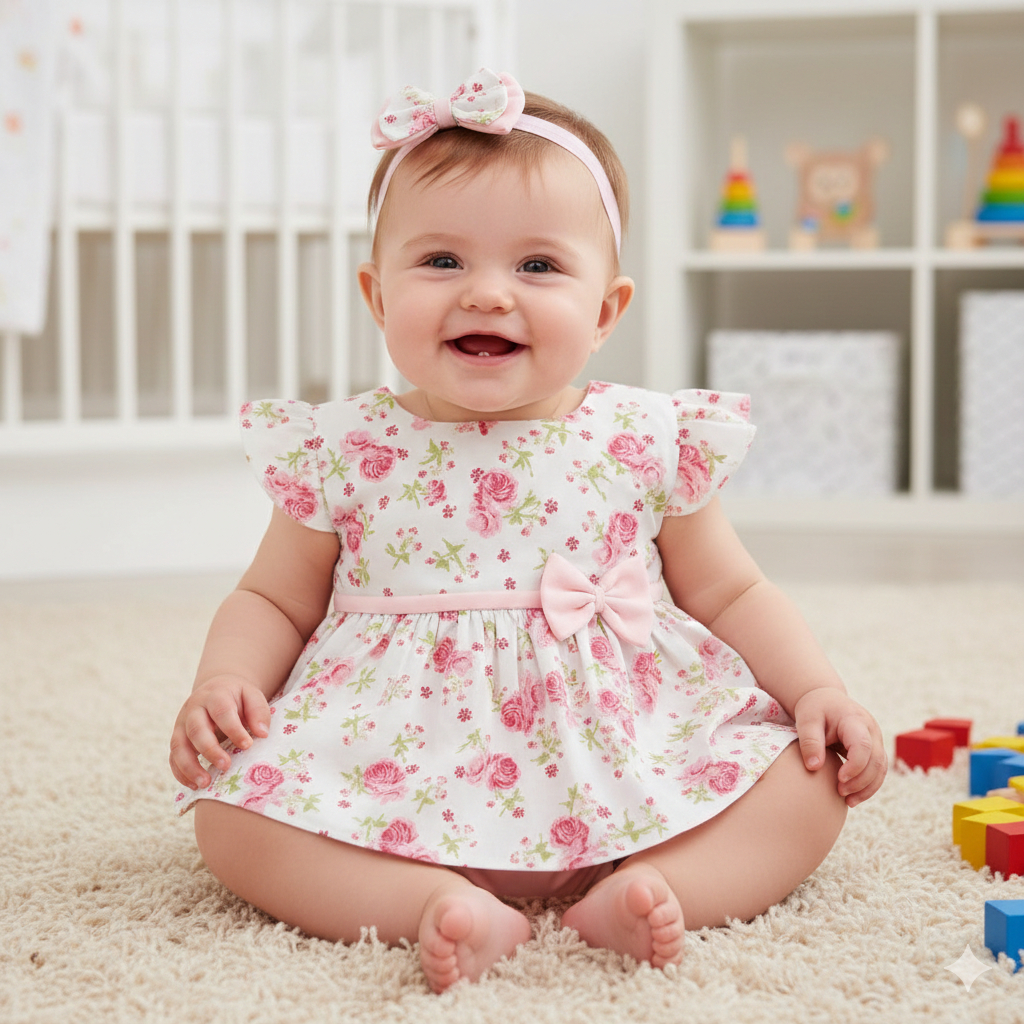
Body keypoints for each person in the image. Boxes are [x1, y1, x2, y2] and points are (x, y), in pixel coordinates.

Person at [169, 69, 886, 994]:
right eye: (441, 261)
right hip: (400, 764)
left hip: (627, 753)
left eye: (538, 266)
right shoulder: (342, 448)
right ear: (377, 297)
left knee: (812, 779)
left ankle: (653, 886)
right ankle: (429, 902)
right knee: (230, 817)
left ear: (605, 311)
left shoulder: (644, 436)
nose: (487, 295)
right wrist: (224, 681)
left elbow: (732, 589)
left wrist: (818, 689)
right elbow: (272, 597)